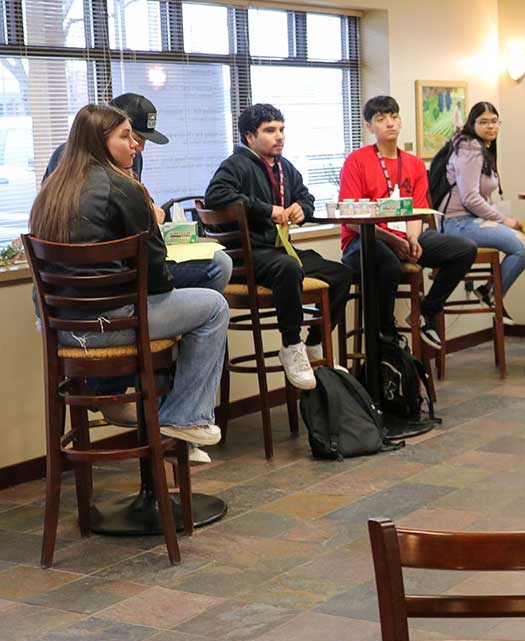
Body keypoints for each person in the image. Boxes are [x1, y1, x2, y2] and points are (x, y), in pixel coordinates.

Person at [31, 104, 228, 451]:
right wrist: (153, 222)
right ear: (99, 140)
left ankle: (133, 398)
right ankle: (185, 417)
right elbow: (155, 279)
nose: (135, 144)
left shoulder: (52, 190)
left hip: (59, 328)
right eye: (125, 136)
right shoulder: (125, 188)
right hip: (111, 326)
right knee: (213, 306)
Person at [203, 103, 353, 391]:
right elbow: (216, 196)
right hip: (249, 257)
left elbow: (306, 196)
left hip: (282, 250)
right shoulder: (235, 165)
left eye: (281, 129)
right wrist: (266, 209)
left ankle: (314, 342)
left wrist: (301, 208)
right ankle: (291, 344)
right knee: (288, 267)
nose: (279, 136)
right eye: (270, 131)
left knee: (340, 274)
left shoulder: (284, 167)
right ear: (250, 137)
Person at [45, 93, 233, 294]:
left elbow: (137, 205)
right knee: (215, 280)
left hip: (109, 273)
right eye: (130, 137)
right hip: (100, 280)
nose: (138, 147)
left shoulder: (131, 159)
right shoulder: (71, 162)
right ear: (106, 130)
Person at [338, 95, 477, 350]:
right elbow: (352, 218)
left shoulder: (413, 164)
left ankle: (427, 311)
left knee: (464, 249)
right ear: (369, 127)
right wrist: (392, 240)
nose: (390, 123)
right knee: (389, 264)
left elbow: (418, 211)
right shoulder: (356, 161)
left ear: (400, 121)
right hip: (365, 240)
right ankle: (386, 333)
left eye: (394, 117)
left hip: (404, 235)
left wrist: (412, 239)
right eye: (381, 119)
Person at [441, 101, 525, 323]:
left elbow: (483, 196)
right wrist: (503, 220)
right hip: (458, 223)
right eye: (484, 122)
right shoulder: (470, 148)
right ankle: (493, 295)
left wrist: (506, 220)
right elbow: (470, 198)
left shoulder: (483, 148)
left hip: (476, 221)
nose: (491, 127)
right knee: (523, 247)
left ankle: (490, 292)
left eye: (494, 122)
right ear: (473, 124)